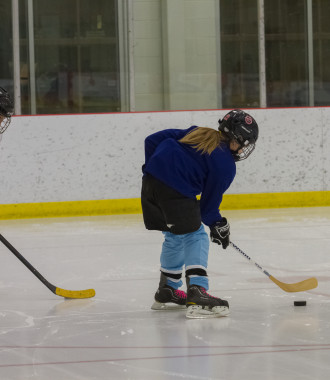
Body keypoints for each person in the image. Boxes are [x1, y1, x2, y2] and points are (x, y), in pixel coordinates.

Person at [141, 109, 259, 319]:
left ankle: (167, 290)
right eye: (244, 142)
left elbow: (151, 141)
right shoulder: (225, 164)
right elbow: (207, 210)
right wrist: (218, 224)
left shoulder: (198, 133)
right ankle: (197, 291)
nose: (242, 149)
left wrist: (154, 170)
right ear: (237, 138)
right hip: (174, 190)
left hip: (149, 187)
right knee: (196, 236)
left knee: (175, 235)